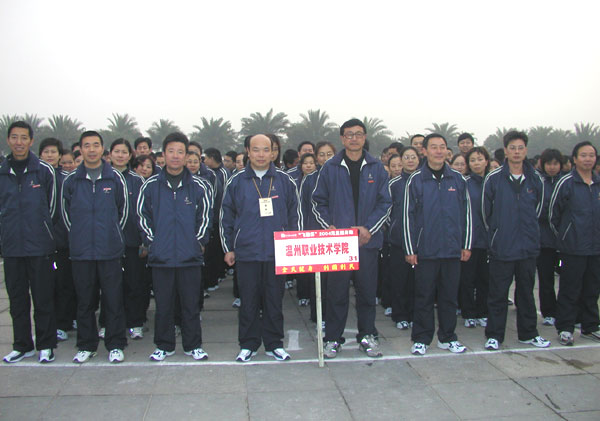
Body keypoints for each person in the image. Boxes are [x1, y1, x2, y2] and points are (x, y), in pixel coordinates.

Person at [312, 118, 392, 359]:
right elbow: (318, 202)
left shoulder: (377, 167)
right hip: (339, 244)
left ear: (365, 137)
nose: (354, 138)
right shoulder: (330, 167)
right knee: (336, 294)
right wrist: (329, 226)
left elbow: (385, 203)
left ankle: (367, 336)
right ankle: (333, 339)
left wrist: (369, 229)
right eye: (349, 134)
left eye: (358, 134)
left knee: (367, 293)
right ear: (342, 138)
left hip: (366, 242)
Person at [220, 134, 300, 362]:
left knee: (274, 300)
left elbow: (295, 216)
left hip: (277, 253)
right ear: (248, 151)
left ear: (273, 152)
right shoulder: (236, 182)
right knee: (249, 301)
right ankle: (248, 344)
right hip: (247, 252)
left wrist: (292, 246)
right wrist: (228, 247)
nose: (261, 154)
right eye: (256, 149)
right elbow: (226, 216)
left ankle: (275, 344)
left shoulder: (285, 181)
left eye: (266, 149)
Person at [138, 132, 213, 361]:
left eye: (181, 152)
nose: (175, 156)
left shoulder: (199, 186)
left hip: (189, 257)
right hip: (161, 258)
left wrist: (198, 242)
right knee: (163, 305)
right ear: (163, 154)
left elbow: (206, 218)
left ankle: (193, 345)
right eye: (171, 151)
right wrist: (153, 243)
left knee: (190, 305)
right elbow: (142, 217)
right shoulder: (151, 185)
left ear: (187, 155)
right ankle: (164, 345)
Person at [62, 130, 129, 363]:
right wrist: (79, 237)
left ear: (103, 149)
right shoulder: (71, 180)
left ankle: (116, 344)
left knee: (113, 299)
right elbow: (65, 215)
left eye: (96, 145)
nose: (91, 150)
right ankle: (86, 345)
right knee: (85, 301)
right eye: (87, 145)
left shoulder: (115, 178)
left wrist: (112, 234)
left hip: (109, 251)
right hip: (81, 252)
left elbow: (123, 212)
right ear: (80, 149)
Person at [404, 134, 472, 355]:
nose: (439, 151)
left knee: (449, 296)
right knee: (423, 296)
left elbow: (467, 215)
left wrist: (466, 245)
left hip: (452, 250)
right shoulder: (416, 180)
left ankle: (448, 337)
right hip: (426, 250)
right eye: (434, 147)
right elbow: (407, 216)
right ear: (424, 151)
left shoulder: (458, 180)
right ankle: (421, 338)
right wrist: (410, 249)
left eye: (442, 147)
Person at [482, 131, 550, 351]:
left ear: (526, 150)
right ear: (506, 151)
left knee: (526, 293)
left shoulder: (535, 179)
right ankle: (494, 335)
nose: (517, 152)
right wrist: (498, 233)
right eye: (513, 148)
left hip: (527, 247)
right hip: (502, 246)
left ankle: (528, 333)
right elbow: (485, 213)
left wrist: (528, 232)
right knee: (498, 294)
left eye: (521, 148)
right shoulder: (494, 178)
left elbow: (538, 210)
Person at [1, 121, 57, 363]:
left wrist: (44, 233)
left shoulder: (44, 171)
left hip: (39, 247)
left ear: (31, 141)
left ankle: (46, 345)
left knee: (43, 298)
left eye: (24, 137)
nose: (19, 142)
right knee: (17, 300)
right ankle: (22, 345)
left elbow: (53, 209)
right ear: (8, 140)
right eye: (14, 137)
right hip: (12, 247)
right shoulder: (2, 171)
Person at [550, 141, 600, 345]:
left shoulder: (598, 183)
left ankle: (590, 326)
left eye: (591, 155)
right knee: (570, 289)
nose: (588, 159)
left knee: (593, 288)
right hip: (572, 248)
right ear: (575, 159)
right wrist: (564, 238)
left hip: (595, 248)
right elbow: (553, 216)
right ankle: (565, 328)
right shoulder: (566, 183)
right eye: (584, 155)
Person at [39, 138, 77, 342]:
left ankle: (64, 322)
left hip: (64, 241)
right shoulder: (37, 177)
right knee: (45, 287)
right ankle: (49, 324)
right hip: (41, 243)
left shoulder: (67, 179)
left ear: (60, 156)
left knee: (64, 284)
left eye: (54, 152)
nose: (50, 155)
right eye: (46, 152)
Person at [109, 139, 147, 340]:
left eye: (124, 152)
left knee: (134, 284)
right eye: (117, 151)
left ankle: (135, 322)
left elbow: (144, 213)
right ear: (110, 154)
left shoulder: (138, 180)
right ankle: (108, 323)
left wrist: (145, 241)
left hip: (132, 241)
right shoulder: (104, 177)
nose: (120, 155)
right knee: (110, 286)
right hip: (108, 243)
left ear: (130, 155)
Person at [388, 146, 420, 330]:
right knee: (399, 280)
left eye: (413, 157)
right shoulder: (394, 184)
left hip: (420, 241)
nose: (410, 160)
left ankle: (415, 314)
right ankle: (400, 315)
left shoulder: (423, 181)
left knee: (418, 281)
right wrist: (393, 227)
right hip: (398, 241)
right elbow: (386, 210)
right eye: (406, 157)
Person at [461, 147, 491, 328]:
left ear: (486, 161)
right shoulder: (464, 183)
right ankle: (468, 312)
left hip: (488, 240)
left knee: (485, 279)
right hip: (469, 240)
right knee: (467, 278)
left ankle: (482, 311)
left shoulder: (493, 182)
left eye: (480, 159)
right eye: (472, 160)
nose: (476, 163)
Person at [536, 148, 564, 327]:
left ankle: (567, 311)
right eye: (548, 164)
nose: (552, 167)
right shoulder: (539, 183)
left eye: (555, 163)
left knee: (567, 279)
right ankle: (549, 312)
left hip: (564, 241)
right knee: (546, 278)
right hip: (544, 241)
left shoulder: (565, 183)